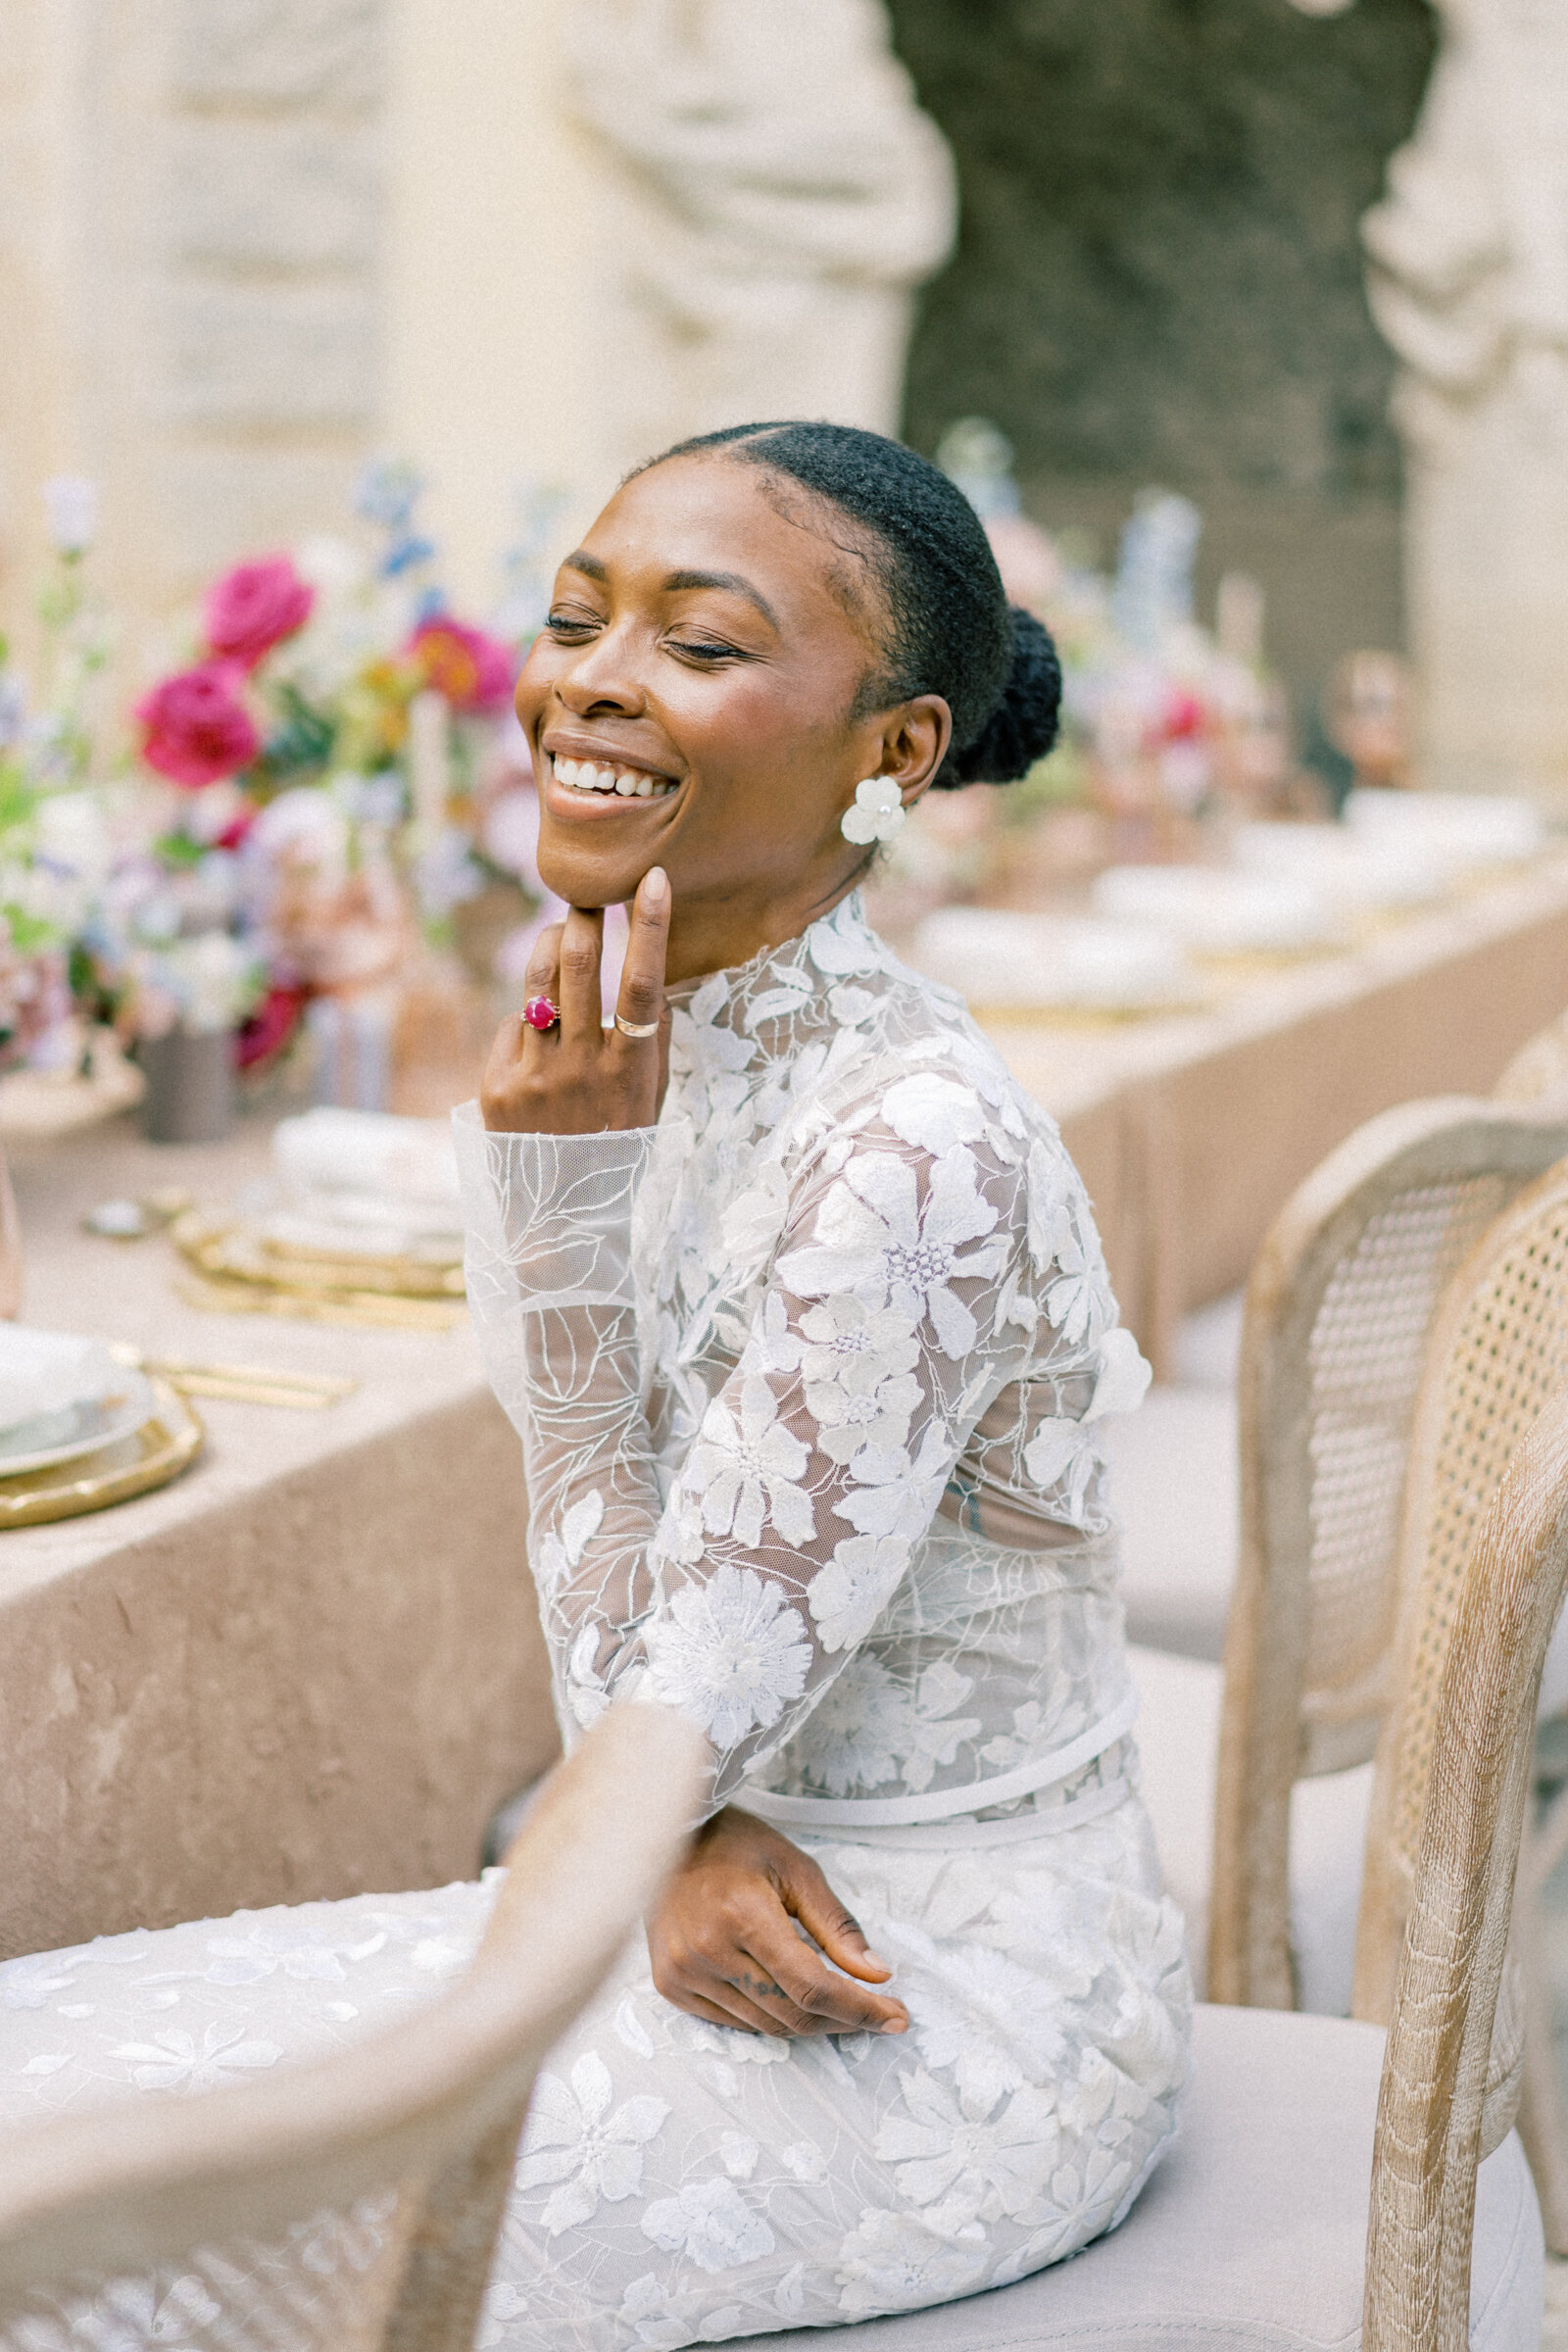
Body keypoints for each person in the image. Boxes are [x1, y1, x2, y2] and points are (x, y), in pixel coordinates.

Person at [0, 422, 1190, 2348]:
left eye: (697, 646)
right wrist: (671, 1822)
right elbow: (661, 1729)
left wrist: (553, 1238)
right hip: (686, 1868)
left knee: (103, 2254)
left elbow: (666, 1701)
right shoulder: (643, 1034)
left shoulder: (906, 1158)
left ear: (892, 752)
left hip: (904, 1989)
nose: (588, 682)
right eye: (573, 620)